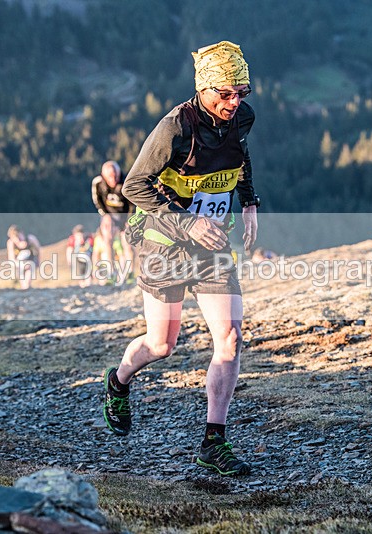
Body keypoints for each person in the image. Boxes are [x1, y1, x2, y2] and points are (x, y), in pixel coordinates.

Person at [102, 41, 260, 477]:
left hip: (211, 244)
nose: (234, 102)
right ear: (203, 88)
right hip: (162, 242)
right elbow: (134, 186)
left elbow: (240, 157)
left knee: (230, 339)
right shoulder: (174, 128)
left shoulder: (241, 118)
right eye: (225, 93)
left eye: (241, 92)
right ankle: (118, 381)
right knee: (162, 345)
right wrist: (187, 223)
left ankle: (214, 441)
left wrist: (249, 202)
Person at [91, 160, 134, 285]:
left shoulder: (127, 181)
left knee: (128, 244)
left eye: (115, 176)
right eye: (109, 176)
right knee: (107, 239)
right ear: (103, 175)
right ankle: (111, 273)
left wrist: (130, 219)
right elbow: (97, 201)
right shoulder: (98, 183)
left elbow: (133, 203)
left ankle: (130, 273)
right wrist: (105, 215)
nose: (113, 179)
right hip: (110, 215)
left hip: (126, 215)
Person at [6, 225, 40, 290]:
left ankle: (27, 288)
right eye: (14, 238)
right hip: (19, 264)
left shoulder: (31, 239)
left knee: (27, 280)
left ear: (22, 233)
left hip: (31, 262)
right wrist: (22, 265)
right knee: (23, 283)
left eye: (19, 237)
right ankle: (25, 290)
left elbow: (38, 250)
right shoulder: (11, 243)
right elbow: (11, 260)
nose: (18, 239)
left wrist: (38, 262)